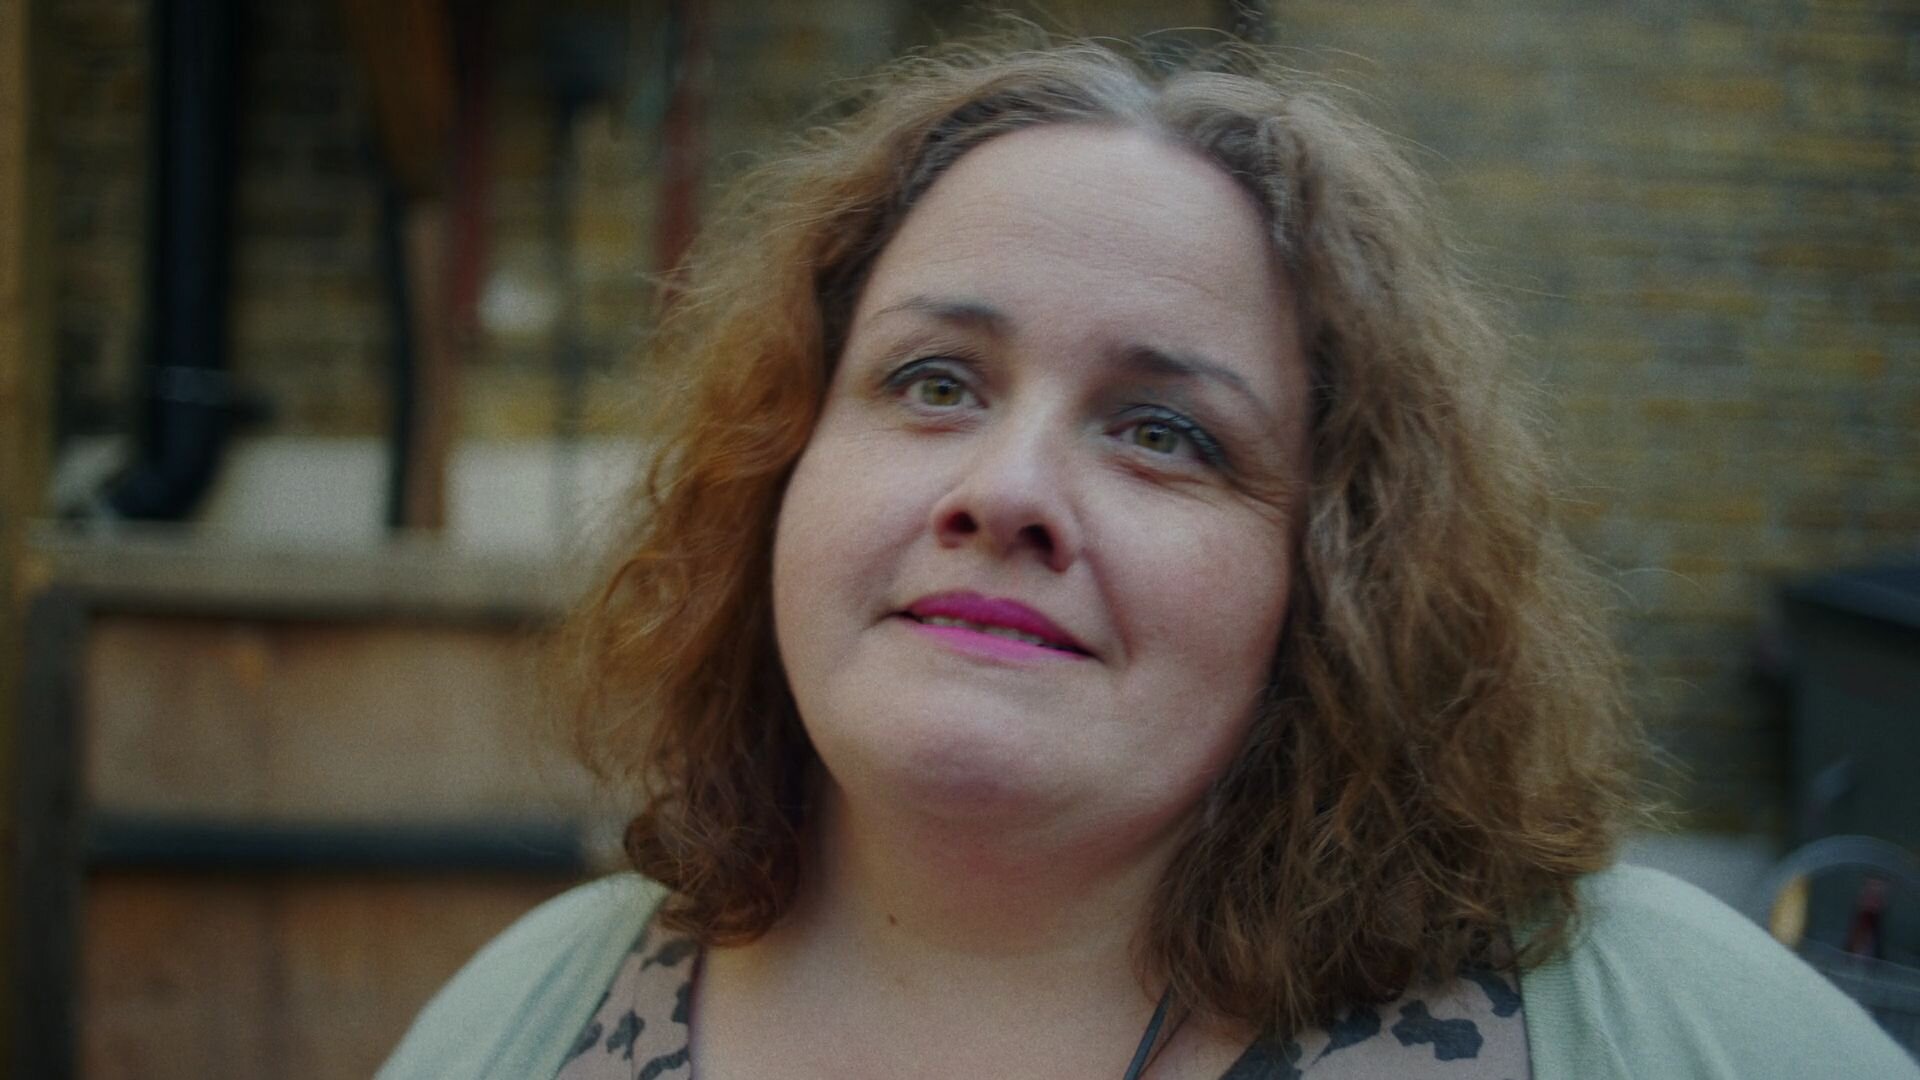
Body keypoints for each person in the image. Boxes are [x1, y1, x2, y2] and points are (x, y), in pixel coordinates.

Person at [380, 37, 1918, 1079]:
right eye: (934, 382)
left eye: (1166, 432)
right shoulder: (533, 1018)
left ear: (1339, 576)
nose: (1008, 492)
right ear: (782, 465)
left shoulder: (1651, 1024)